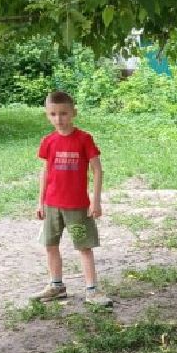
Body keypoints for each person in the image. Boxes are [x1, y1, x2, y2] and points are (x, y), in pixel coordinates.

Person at [32, 91, 111, 306]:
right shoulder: (48, 141)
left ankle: (92, 290)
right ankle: (56, 286)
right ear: (47, 115)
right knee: (50, 244)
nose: (59, 119)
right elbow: (45, 172)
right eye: (53, 114)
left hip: (77, 207)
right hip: (52, 205)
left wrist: (96, 200)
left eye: (64, 113)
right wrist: (40, 202)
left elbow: (97, 170)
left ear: (73, 113)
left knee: (84, 247)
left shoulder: (84, 139)